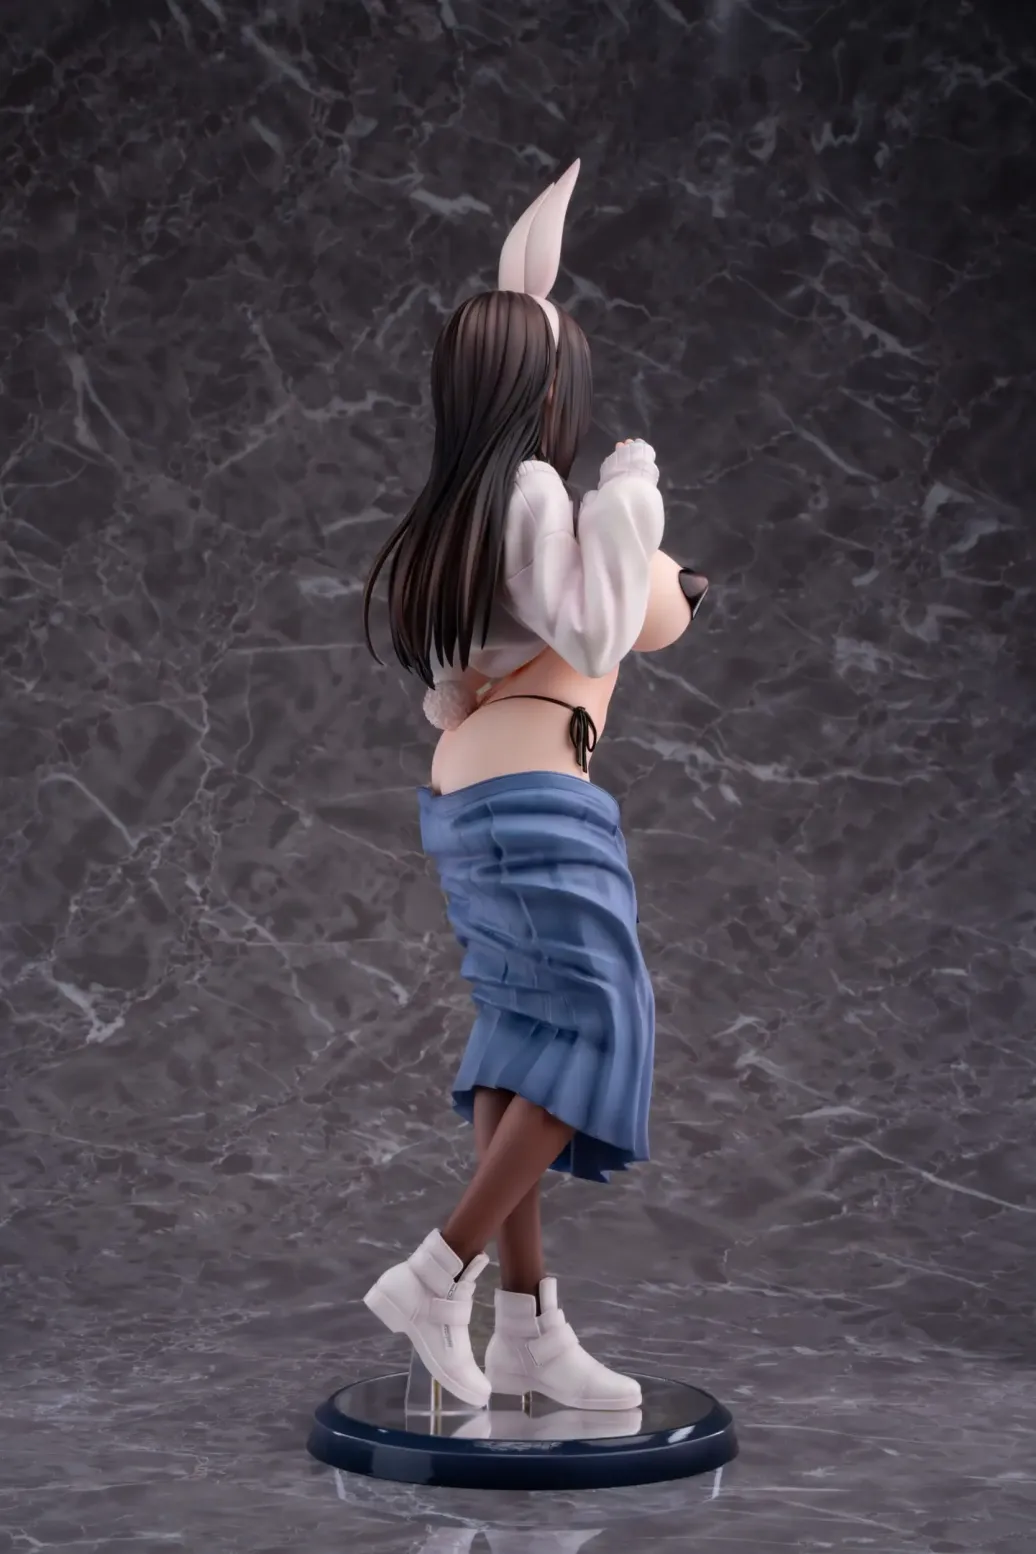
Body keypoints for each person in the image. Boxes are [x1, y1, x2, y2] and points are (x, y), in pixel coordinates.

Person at [360, 160, 709, 1413]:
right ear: (538, 387)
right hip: (528, 794)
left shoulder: (458, 505)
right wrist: (631, 489)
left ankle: (528, 1327)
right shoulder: (530, 494)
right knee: (605, 1019)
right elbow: (598, 620)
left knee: (525, 1032)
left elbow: (470, 661)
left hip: (475, 796)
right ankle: (437, 1270)